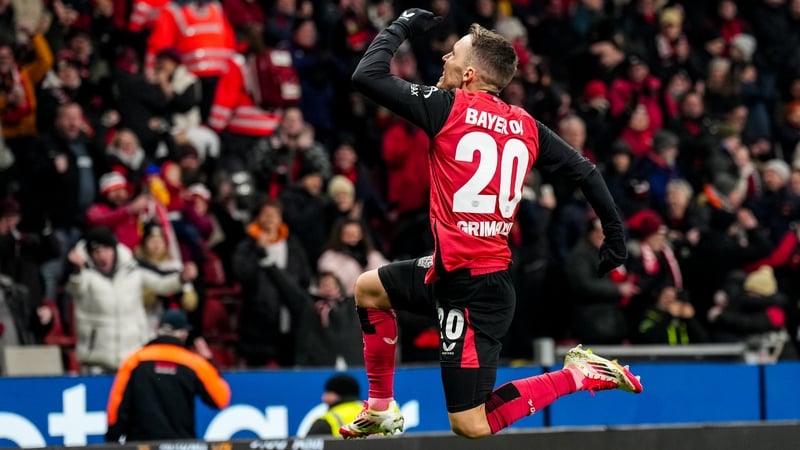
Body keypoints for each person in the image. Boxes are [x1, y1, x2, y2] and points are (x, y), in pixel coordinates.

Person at [341, 10, 643, 440]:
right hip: (454, 271)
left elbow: (367, 75)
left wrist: (402, 24)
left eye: (453, 53)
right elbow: (587, 172)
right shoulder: (526, 126)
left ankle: (579, 374)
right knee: (369, 288)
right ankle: (380, 409)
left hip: (475, 292)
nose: (443, 56)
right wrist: (615, 234)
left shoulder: (447, 109)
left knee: (470, 424)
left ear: (467, 74)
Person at [105, 309, 231, 442]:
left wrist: (112, 440)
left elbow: (116, 409)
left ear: (156, 329)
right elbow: (221, 399)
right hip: (180, 445)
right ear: (183, 334)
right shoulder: (194, 363)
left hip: (141, 444)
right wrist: (210, 362)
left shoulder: (135, 360)